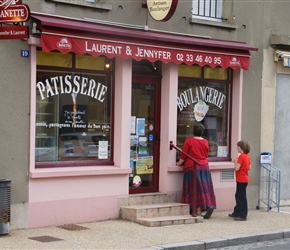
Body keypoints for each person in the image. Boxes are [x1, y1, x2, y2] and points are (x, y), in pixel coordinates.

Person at [176, 122, 216, 219]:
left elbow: (183, 155)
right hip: (204, 166)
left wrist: (179, 163)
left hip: (192, 166)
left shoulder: (189, 141)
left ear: (193, 131)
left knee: (193, 188)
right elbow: (206, 155)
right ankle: (206, 206)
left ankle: (193, 209)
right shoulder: (205, 142)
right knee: (204, 188)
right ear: (202, 132)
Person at [229, 140, 251, 221]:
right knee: (238, 195)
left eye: (238, 147)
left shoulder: (241, 156)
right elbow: (249, 167)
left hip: (241, 179)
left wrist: (235, 162)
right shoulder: (247, 156)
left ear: (240, 147)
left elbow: (237, 168)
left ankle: (243, 214)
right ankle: (237, 211)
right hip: (245, 178)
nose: (237, 148)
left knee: (241, 197)